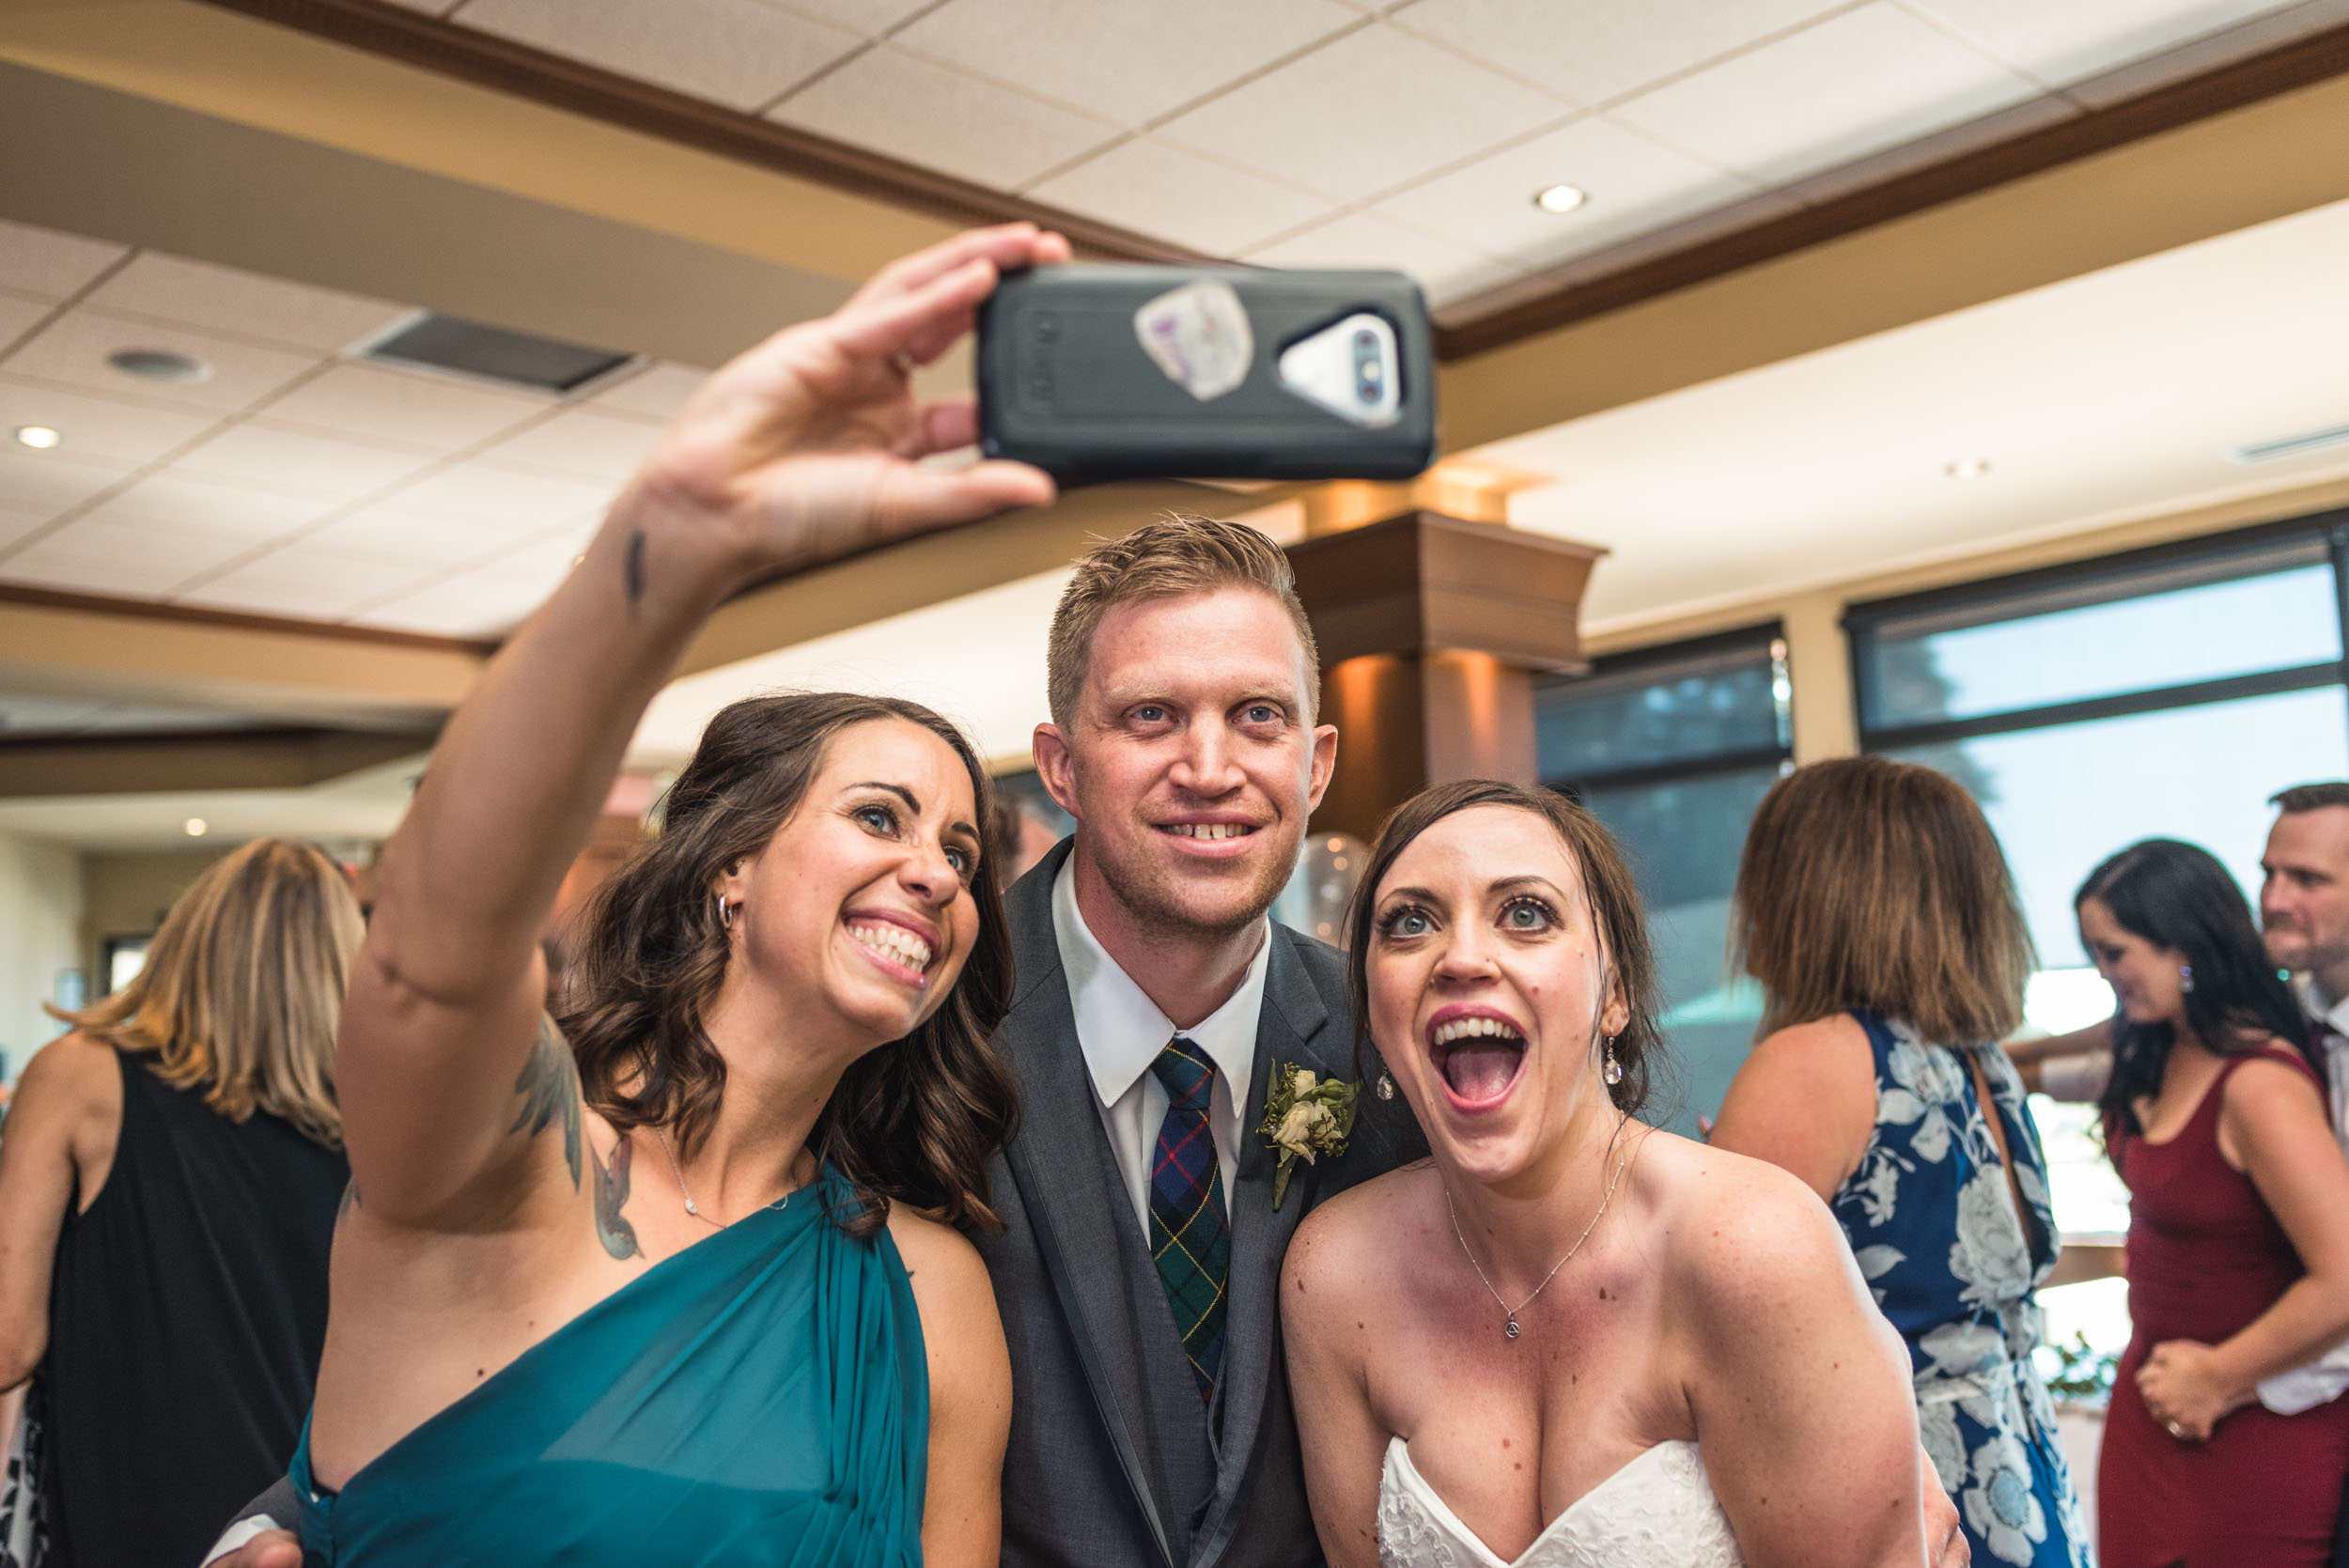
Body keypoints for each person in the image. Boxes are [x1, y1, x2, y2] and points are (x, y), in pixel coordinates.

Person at [1283, 779, 1959, 1568]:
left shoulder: (1752, 1248)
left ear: (1617, 995)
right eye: (1411, 921)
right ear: (1373, 1003)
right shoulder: (1334, 1277)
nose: (1461, 956)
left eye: (1526, 912)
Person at [1705, 757, 2090, 1567]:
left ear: (1810, 893)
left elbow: (1702, 1318)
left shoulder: (1811, 1062)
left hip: (1911, 1512)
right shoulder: (1982, 1061)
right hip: (2021, 1491)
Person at [0, 838, 359, 1568]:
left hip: (129, 1512)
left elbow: (8, 1338)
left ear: (188, 943)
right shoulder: (383, 1124)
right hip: (302, 1524)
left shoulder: (80, 1075)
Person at [2015, 782, 2349, 1423]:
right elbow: (2124, 1040)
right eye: (2269, 874)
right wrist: (2001, 1056)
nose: (2274, 901)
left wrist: (2229, 1378)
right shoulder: (2290, 1002)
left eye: (2308, 880)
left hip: (2277, 1398)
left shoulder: (2262, 1075)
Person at [2078, 838, 2349, 1566]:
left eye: (2115, 951)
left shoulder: (2260, 1083)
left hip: (2247, 1419)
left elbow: (2346, 1278)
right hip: (2153, 1409)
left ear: (2183, 947)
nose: (2105, 971)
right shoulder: (2161, 1047)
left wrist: (2219, 1376)